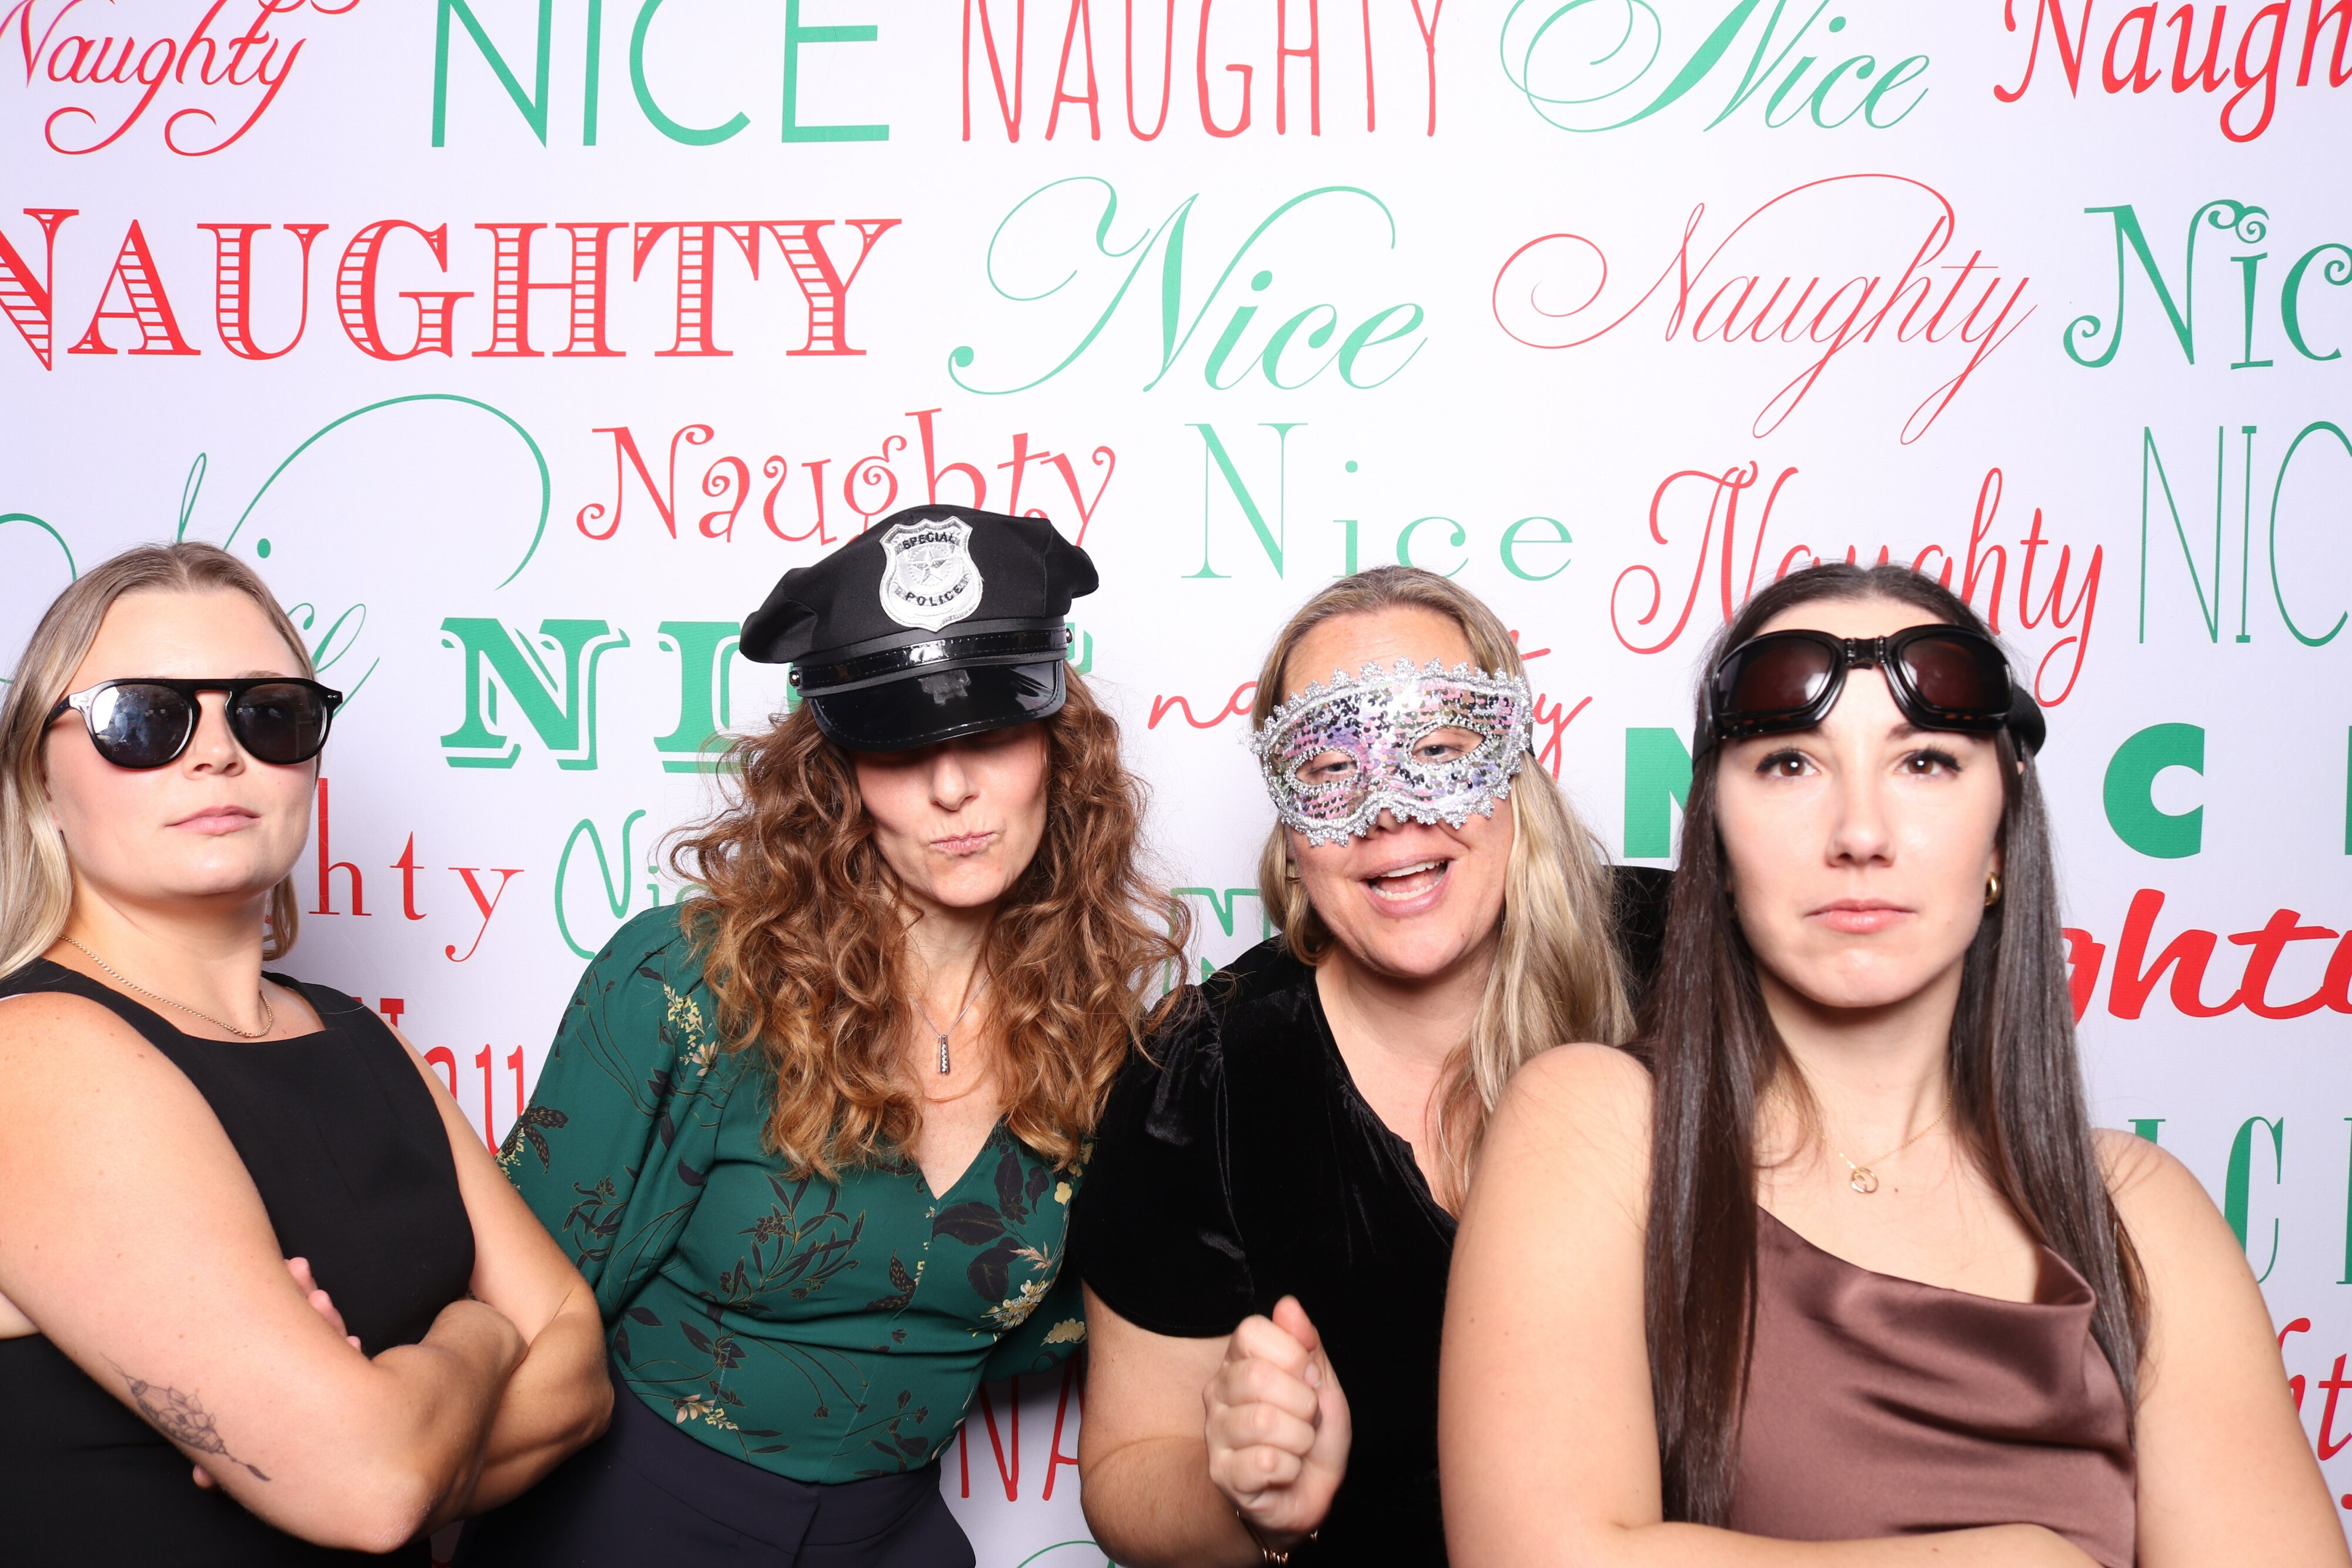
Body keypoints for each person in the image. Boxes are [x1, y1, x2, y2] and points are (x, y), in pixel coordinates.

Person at [1441, 562, 2348, 1567]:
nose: (1861, 833)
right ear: (1717, 840)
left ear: (2001, 836)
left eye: (1924, 762)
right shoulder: (1600, 1127)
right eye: (1792, 764)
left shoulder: (2138, 1213)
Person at [457, 505, 1189, 1567]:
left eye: (992, 734)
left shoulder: (1107, 1037)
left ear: (1057, 747)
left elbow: (1070, 1329)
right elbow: (515, 1300)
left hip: (890, 1536)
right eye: (900, 745)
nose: (952, 789)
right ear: (839, 771)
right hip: (621, 1516)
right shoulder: (687, 983)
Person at [0, 543, 611, 1566]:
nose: (217, 754)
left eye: (268, 714)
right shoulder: (33, 1054)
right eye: (144, 719)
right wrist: (480, 1334)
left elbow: (578, 1373)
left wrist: (384, 1438)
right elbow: (370, 1487)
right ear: (41, 778)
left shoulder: (360, 1037)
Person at [1071, 566, 1668, 1566]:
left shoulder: (1693, 964)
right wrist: (1254, 1500)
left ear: (1514, 760)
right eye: (1331, 768)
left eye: (1437, 751)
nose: (1389, 810)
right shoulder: (1200, 1079)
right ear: (1289, 828)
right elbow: (1130, 1468)